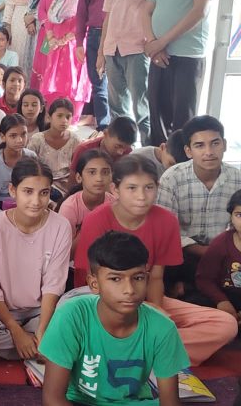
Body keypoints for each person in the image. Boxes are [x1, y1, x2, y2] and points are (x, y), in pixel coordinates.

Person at [73, 155, 239, 366]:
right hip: (99, 300)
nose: (141, 196)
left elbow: (155, 277)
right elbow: (88, 281)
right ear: (115, 189)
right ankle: (151, 349)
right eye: (132, 188)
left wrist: (154, 311)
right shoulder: (97, 219)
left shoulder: (166, 221)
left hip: (143, 299)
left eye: (149, 187)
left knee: (225, 324)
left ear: (157, 187)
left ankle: (135, 349)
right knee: (86, 325)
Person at [40, 231, 190, 406]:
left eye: (138, 278)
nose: (129, 290)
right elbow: (53, 399)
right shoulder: (72, 315)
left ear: (147, 279)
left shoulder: (163, 328)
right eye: (115, 279)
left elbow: (170, 402)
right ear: (94, 284)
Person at [0, 157, 71, 360]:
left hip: (41, 312)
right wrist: (16, 331)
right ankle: (42, 349)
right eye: (28, 191)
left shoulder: (61, 226)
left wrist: (42, 331)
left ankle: (37, 344)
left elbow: (53, 284)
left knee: (71, 326)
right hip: (4, 313)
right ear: (13, 190)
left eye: (43, 193)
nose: (36, 201)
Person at [156, 116, 241, 297]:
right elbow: (165, 230)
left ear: (225, 145)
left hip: (226, 252)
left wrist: (222, 249)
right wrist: (202, 250)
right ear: (188, 151)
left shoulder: (237, 179)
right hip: (184, 253)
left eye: (215, 143)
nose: (209, 152)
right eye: (199, 145)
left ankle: (189, 290)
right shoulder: (172, 178)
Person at [143, 0, 218, 145]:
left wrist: (161, 42)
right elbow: (147, 10)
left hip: (188, 55)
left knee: (183, 119)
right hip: (159, 55)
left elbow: (200, 11)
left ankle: (181, 161)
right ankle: (160, 159)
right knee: (157, 114)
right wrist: (152, 42)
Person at [99, 0, 155, 144]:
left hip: (137, 48)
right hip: (112, 48)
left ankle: (147, 148)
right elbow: (108, 16)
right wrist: (101, 52)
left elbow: (156, 9)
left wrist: (152, 40)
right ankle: (123, 147)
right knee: (116, 106)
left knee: (141, 105)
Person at [37, 0, 91, 123]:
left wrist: (68, 37)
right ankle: (54, 118)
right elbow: (49, 14)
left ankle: (72, 120)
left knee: (73, 81)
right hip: (56, 44)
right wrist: (51, 36)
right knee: (54, 81)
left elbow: (88, 19)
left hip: (77, 43)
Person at [75, 0, 116, 131]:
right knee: (98, 84)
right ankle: (103, 127)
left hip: (117, 34)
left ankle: (120, 128)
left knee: (118, 85)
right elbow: (81, 11)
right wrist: (79, 42)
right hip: (93, 34)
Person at [0, 114, 38, 217]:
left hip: (26, 205)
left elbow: (37, 188)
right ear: (3, 137)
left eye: (23, 134)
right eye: (13, 136)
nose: (20, 140)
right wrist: (5, 217)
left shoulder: (31, 157)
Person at [196, 189, 241, 321]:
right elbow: (204, 279)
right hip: (225, 296)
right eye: (239, 215)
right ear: (231, 217)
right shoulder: (222, 242)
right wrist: (221, 301)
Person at [57, 149, 115, 244]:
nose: (99, 179)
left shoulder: (115, 203)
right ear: (79, 177)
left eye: (105, 172)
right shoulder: (70, 208)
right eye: (92, 172)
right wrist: (90, 227)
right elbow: (65, 250)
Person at [28, 97, 81, 195]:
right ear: (49, 117)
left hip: (68, 185)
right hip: (42, 184)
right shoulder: (37, 140)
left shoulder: (74, 140)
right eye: (59, 116)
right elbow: (29, 167)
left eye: (68, 117)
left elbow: (77, 167)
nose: (64, 120)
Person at [30, 0, 69, 90]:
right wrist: (49, 29)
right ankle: (41, 98)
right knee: (43, 66)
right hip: (46, 34)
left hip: (66, 36)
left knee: (62, 70)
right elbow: (41, 10)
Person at [67, 115, 135, 187]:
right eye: (117, 146)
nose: (121, 152)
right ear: (105, 134)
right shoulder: (84, 150)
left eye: (126, 148)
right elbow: (72, 182)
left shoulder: (128, 152)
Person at [4, 0, 41, 73]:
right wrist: (8, 29)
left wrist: (32, 18)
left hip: (39, 18)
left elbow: (45, 3)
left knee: (36, 52)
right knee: (18, 51)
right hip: (18, 22)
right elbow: (9, 7)